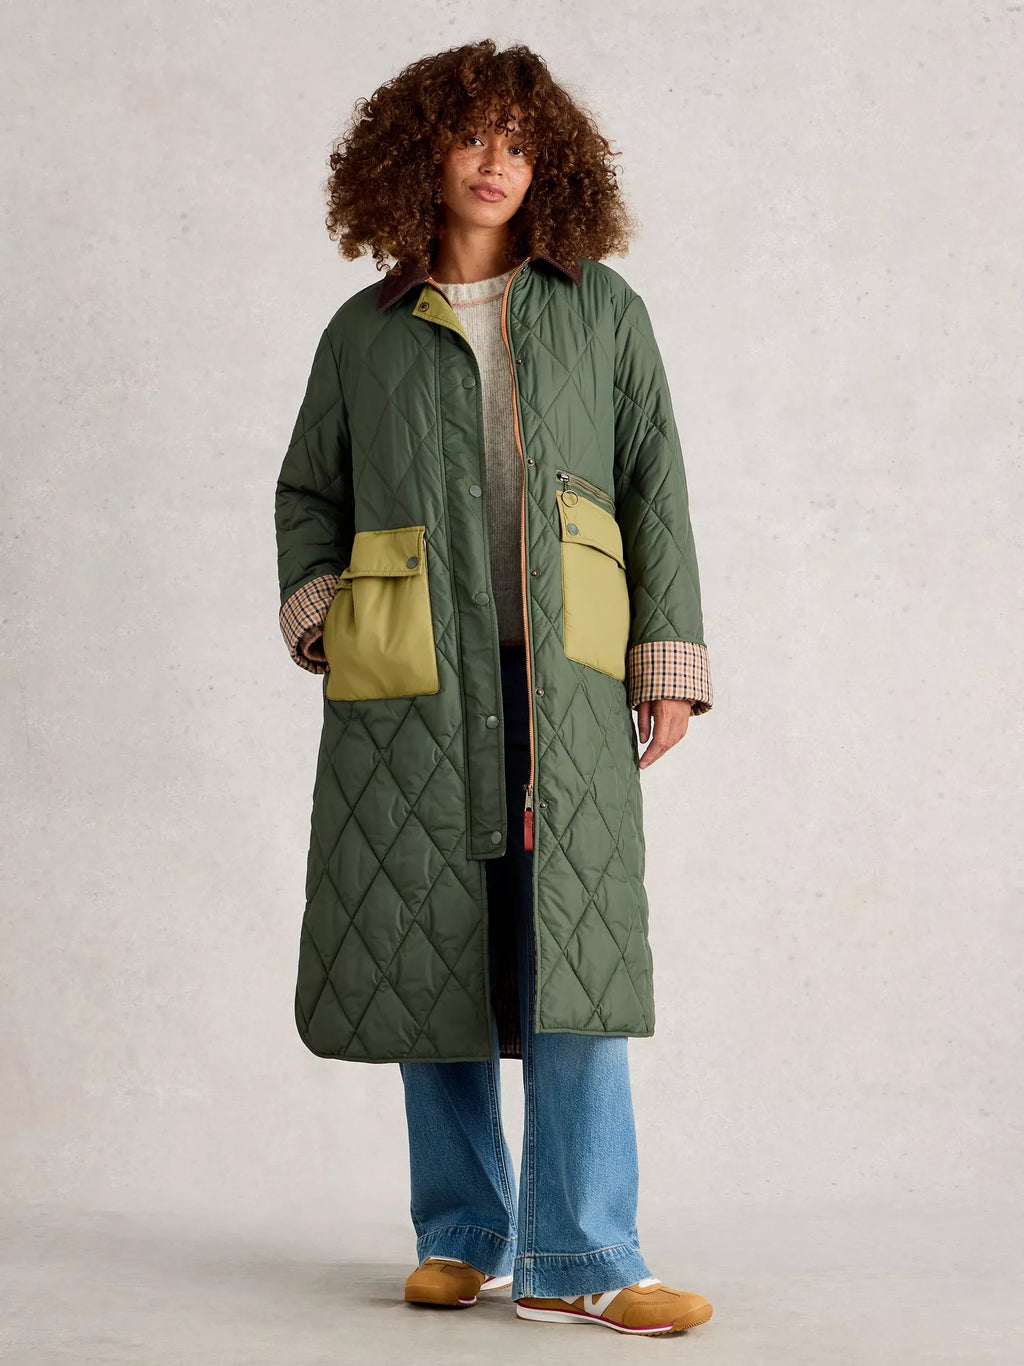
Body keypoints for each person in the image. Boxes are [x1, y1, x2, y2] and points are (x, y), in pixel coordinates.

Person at [274, 39, 714, 1338]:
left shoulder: (601, 309)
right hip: (412, 683)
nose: (495, 163)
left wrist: (667, 663)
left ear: (550, 164)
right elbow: (309, 491)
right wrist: (328, 623)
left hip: (564, 685)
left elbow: (655, 485)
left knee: (574, 955)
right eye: (472, 136)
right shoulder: (363, 331)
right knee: (432, 950)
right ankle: (461, 1234)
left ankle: (584, 1252)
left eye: (520, 143)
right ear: (419, 154)